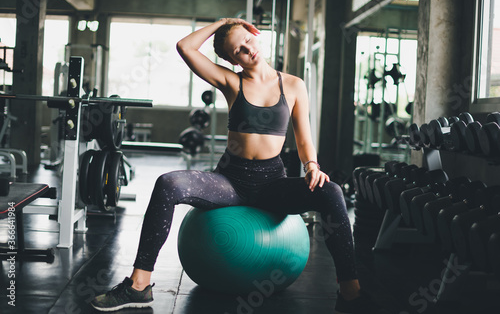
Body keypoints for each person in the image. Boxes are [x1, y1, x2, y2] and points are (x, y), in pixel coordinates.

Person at [91, 18, 389, 314]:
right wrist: (223, 22)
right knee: (168, 183)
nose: (248, 50)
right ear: (231, 59)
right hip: (230, 182)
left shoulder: (294, 86)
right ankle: (139, 285)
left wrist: (311, 165)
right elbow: (185, 47)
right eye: (238, 51)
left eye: (248, 41)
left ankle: (351, 293)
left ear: (255, 34)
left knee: (332, 192)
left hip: (273, 183)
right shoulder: (232, 82)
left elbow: (303, 138)